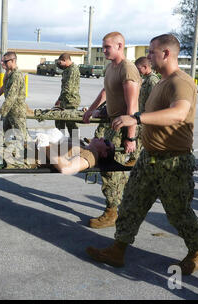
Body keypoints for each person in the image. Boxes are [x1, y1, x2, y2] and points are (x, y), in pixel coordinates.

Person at [85, 34, 198, 275]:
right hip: (149, 157)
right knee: (131, 203)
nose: (148, 56)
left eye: (152, 52)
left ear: (166, 54)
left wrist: (137, 118)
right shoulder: (161, 81)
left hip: (173, 161)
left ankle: (197, 251)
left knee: (178, 212)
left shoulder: (180, 82)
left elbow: (179, 113)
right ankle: (118, 250)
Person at [82, 32, 141, 229]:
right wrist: (92, 110)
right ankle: (118, 208)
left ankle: (112, 212)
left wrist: (130, 137)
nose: (104, 50)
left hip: (123, 127)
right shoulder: (111, 67)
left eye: (107, 47)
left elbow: (132, 107)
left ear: (119, 46)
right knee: (109, 167)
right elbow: (105, 92)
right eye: (103, 46)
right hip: (112, 124)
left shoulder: (127, 69)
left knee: (111, 169)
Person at [125, 56, 160, 166]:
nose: (137, 71)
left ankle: (135, 159)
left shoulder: (152, 80)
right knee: (139, 137)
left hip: (147, 116)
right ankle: (135, 158)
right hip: (142, 115)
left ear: (145, 67)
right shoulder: (146, 79)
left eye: (138, 68)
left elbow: (155, 101)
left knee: (139, 137)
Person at [0, 52, 29, 142]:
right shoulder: (10, 74)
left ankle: (26, 154)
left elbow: (11, 98)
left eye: (5, 61)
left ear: (12, 61)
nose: (2, 63)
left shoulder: (16, 76)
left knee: (21, 139)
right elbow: (4, 87)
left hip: (16, 112)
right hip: (8, 110)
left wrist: (0, 112)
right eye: (2, 61)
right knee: (0, 135)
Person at [54, 53, 81, 137]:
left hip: (71, 100)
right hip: (65, 99)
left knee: (70, 123)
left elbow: (68, 87)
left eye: (60, 62)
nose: (59, 65)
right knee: (59, 120)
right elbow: (64, 88)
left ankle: (75, 142)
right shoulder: (67, 69)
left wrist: (59, 99)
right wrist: (60, 99)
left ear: (65, 60)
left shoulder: (73, 69)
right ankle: (60, 140)